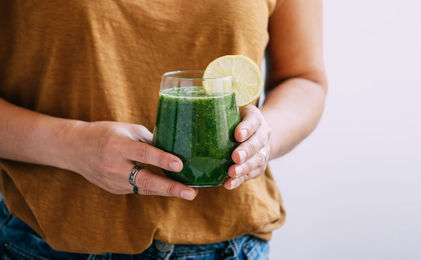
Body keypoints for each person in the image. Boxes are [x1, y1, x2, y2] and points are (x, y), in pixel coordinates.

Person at [0, 0, 326, 259]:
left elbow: (303, 78)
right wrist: (74, 146)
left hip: (230, 245)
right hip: (46, 243)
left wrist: (263, 138)